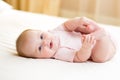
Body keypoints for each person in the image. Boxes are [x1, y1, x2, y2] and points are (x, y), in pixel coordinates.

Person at [16, 17, 116, 63]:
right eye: (40, 48)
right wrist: (86, 48)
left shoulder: (54, 32)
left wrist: (77, 21)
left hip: (89, 35)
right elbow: (79, 58)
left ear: (44, 31)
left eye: (41, 36)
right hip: (97, 49)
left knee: (81, 28)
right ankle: (102, 35)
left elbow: (66, 26)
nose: (45, 42)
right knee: (98, 58)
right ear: (39, 58)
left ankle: (96, 31)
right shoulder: (59, 53)